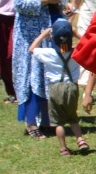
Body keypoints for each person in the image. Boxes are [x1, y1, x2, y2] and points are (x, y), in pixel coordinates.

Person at [12, 0, 62, 138]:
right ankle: (31, 123)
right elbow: (20, 4)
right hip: (30, 35)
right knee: (32, 76)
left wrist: (62, 4)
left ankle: (46, 120)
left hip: (49, 31)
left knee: (46, 75)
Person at [30, 19, 88, 156]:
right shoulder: (76, 52)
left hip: (55, 87)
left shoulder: (48, 53)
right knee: (72, 116)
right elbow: (88, 42)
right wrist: (76, 33)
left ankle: (63, 149)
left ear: (52, 36)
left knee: (58, 122)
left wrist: (43, 34)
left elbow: (31, 49)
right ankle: (80, 139)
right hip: (72, 87)